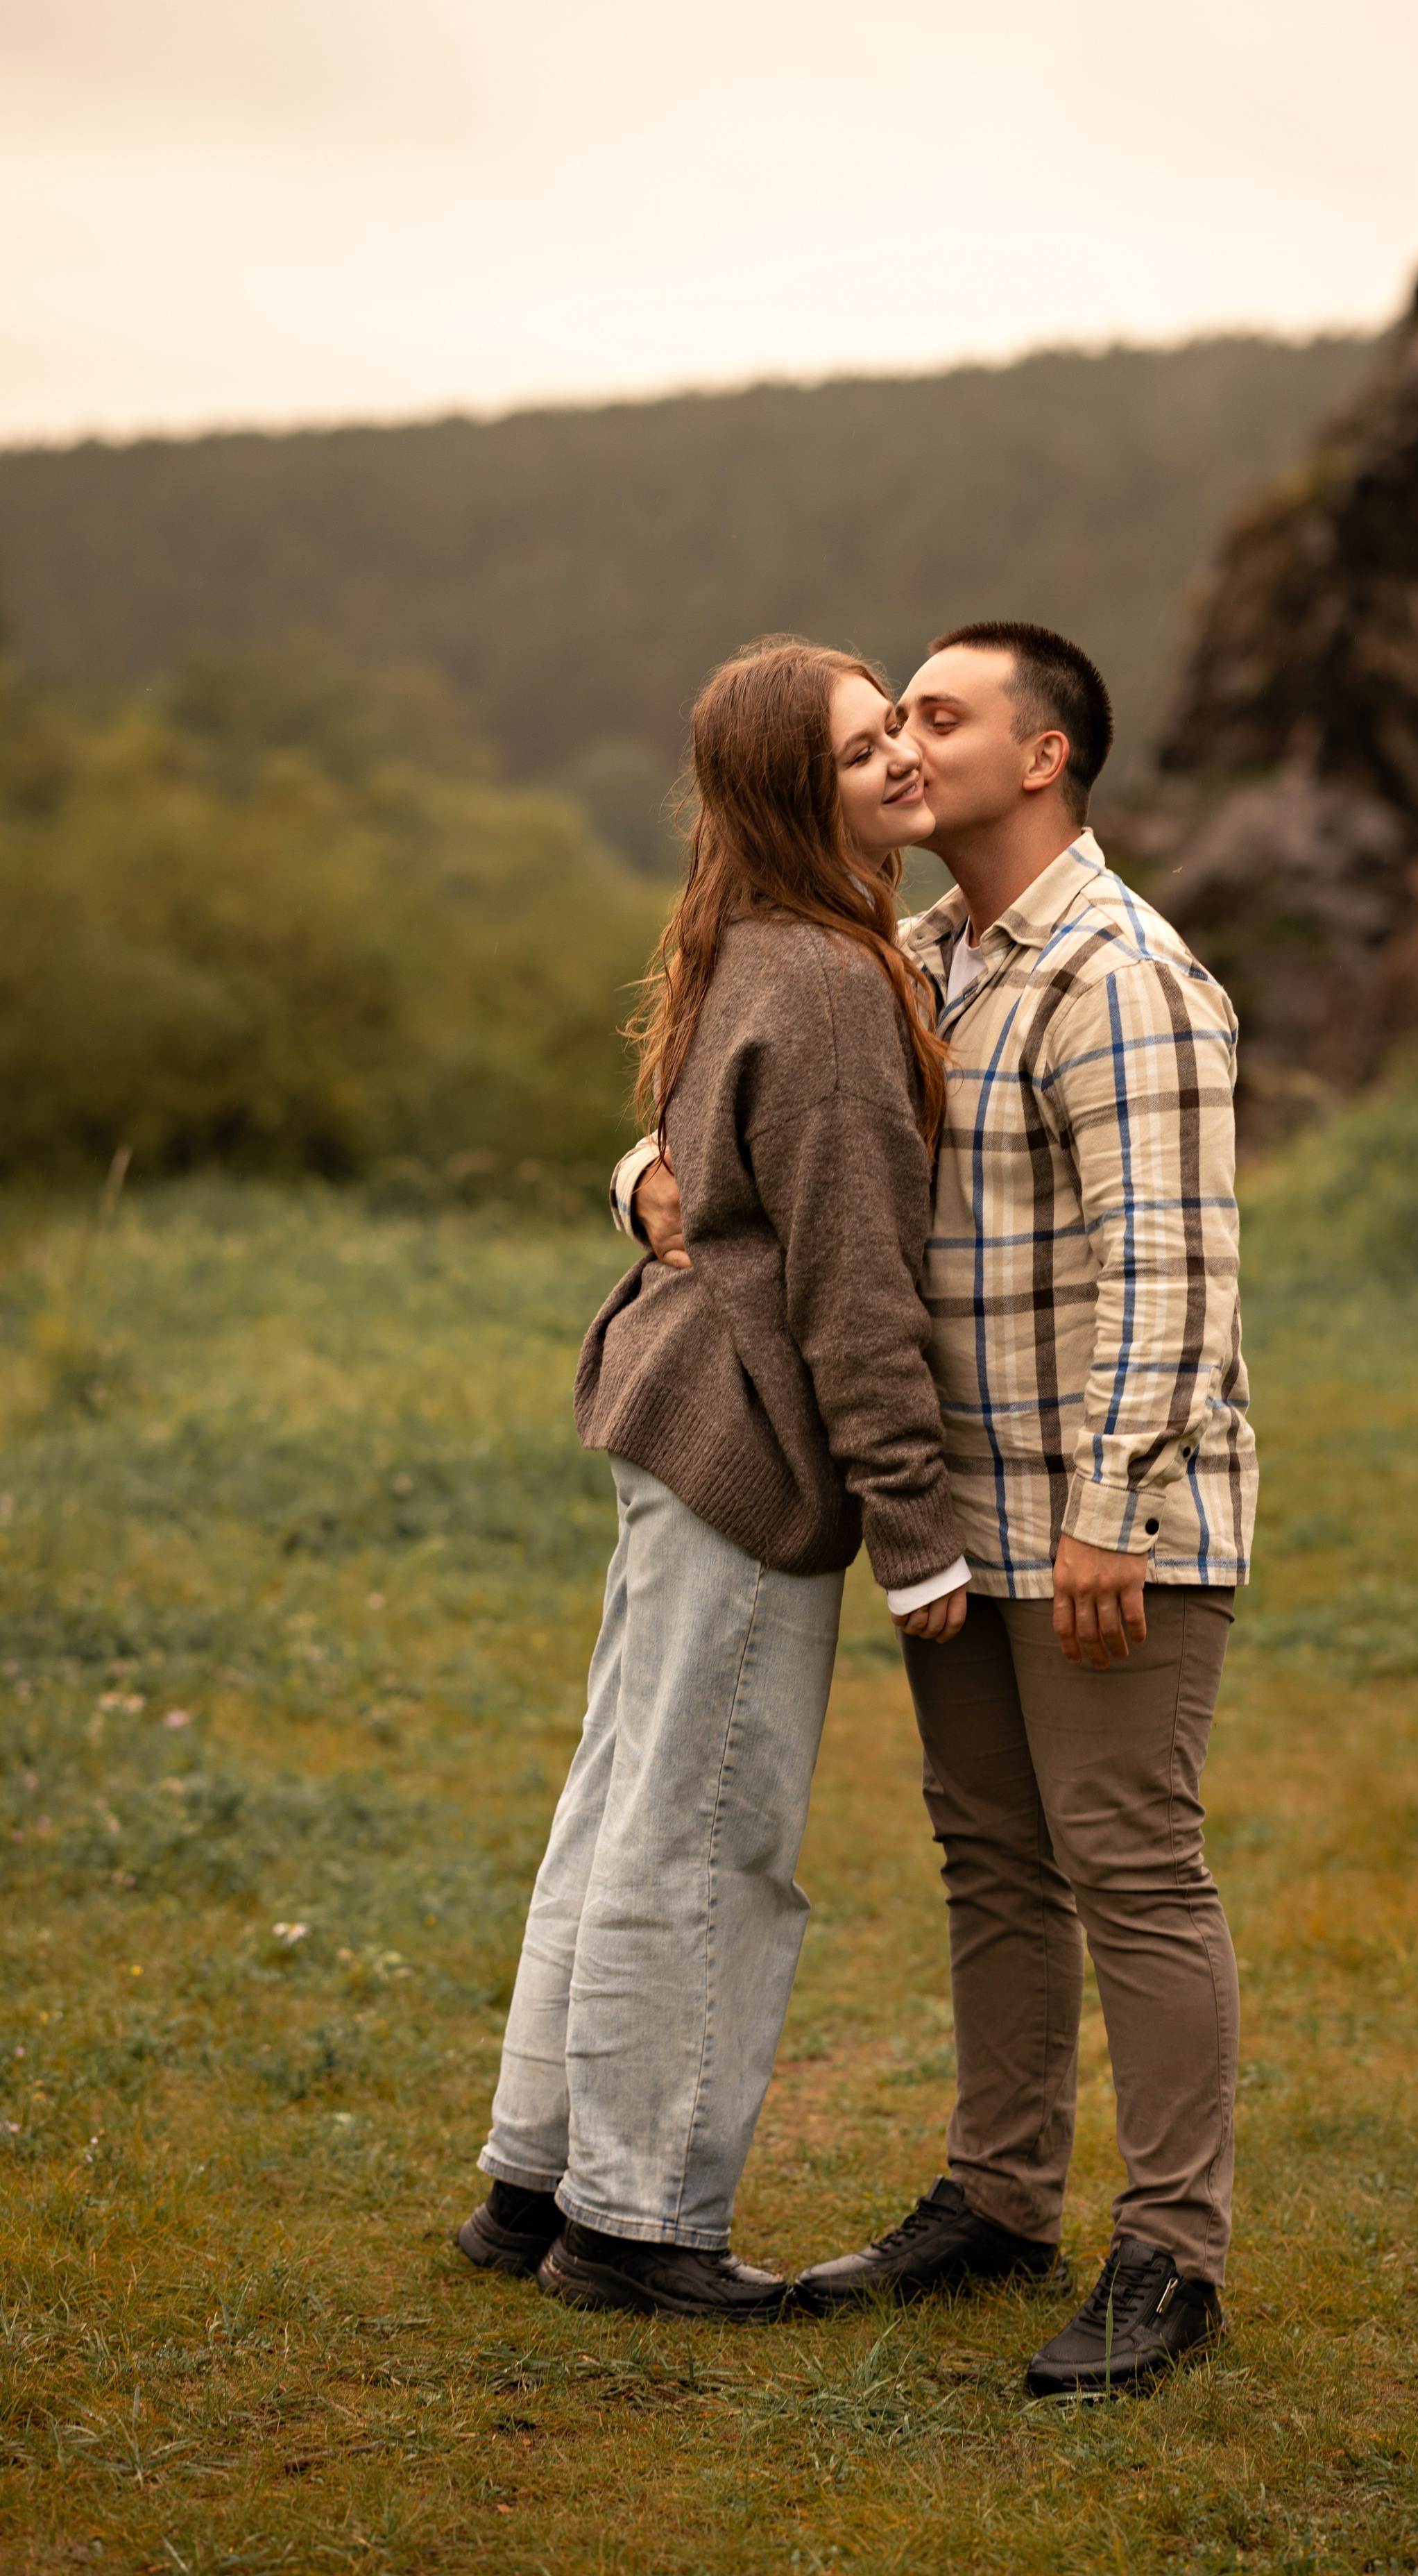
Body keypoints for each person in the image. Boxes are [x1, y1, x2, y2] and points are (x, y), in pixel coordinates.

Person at [620, 622, 1257, 2393]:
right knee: (989, 1856)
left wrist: (1113, 1506)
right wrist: (642, 1174)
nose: (903, 738)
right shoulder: (911, 957)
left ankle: (1171, 2253)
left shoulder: (1119, 973)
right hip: (956, 1516)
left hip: (1107, 1519)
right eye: (890, 714)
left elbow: (1170, 1269)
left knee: (1129, 1864)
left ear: (1042, 755)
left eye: (940, 713)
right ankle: (996, 2196)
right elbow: (732, 1126)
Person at [456, 636, 972, 2322]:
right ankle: (636, 2220)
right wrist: (915, 1534)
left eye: (896, 725)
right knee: (703, 1834)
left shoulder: (764, 938)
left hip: (677, 1414)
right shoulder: (824, 979)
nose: (900, 756)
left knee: (623, 1797)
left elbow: (710, 1178)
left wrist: (641, 1183)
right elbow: (852, 1282)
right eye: (860, 749)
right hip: (745, 1438)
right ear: (790, 795)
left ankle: (534, 2181)